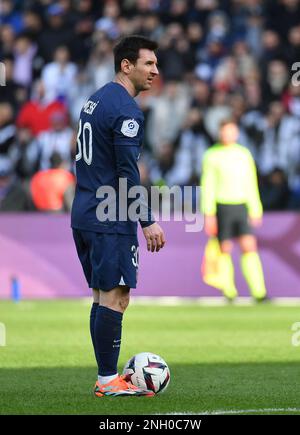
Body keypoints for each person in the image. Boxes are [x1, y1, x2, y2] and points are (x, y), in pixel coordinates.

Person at [71, 35, 166, 397]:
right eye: (149, 64)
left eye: (156, 64)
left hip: (85, 210)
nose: (156, 71)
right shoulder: (126, 110)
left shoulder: (95, 99)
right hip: (109, 215)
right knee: (117, 297)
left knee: (101, 296)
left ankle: (106, 376)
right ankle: (108, 380)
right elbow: (128, 174)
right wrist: (147, 220)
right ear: (126, 65)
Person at [201, 119, 267, 302]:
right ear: (219, 133)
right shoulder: (212, 155)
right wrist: (209, 213)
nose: (227, 135)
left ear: (236, 133)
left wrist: (256, 207)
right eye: (224, 131)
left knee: (249, 246)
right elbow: (208, 185)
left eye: (231, 131)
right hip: (222, 206)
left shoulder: (243, 154)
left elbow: (251, 182)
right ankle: (229, 291)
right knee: (225, 249)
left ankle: (259, 292)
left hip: (241, 205)